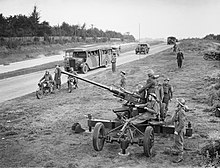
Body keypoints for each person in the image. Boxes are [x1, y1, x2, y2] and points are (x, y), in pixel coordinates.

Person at [164, 98, 186, 163]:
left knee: (179, 142)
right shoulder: (178, 111)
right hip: (177, 127)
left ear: (179, 104)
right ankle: (177, 152)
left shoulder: (181, 112)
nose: (175, 103)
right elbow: (173, 119)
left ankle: (180, 157)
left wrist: (177, 130)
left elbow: (182, 124)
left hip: (180, 129)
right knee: (176, 140)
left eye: (177, 103)